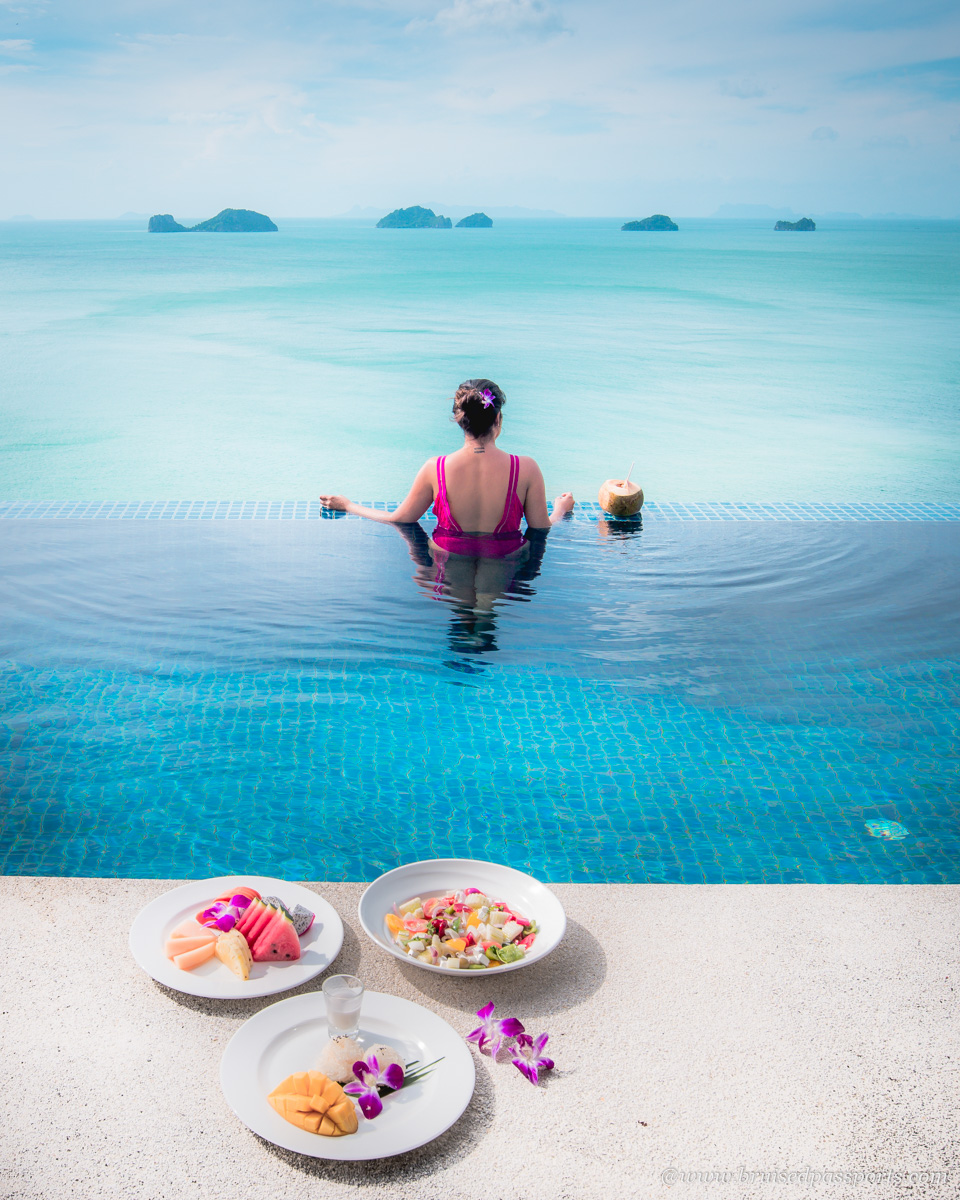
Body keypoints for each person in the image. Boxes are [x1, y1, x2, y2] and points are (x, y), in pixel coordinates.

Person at [319, 379, 575, 546]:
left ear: (460, 420)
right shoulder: (527, 468)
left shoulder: (435, 468)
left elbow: (399, 519)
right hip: (505, 568)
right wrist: (561, 510)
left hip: (448, 568)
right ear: (498, 420)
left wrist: (348, 505)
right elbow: (541, 529)